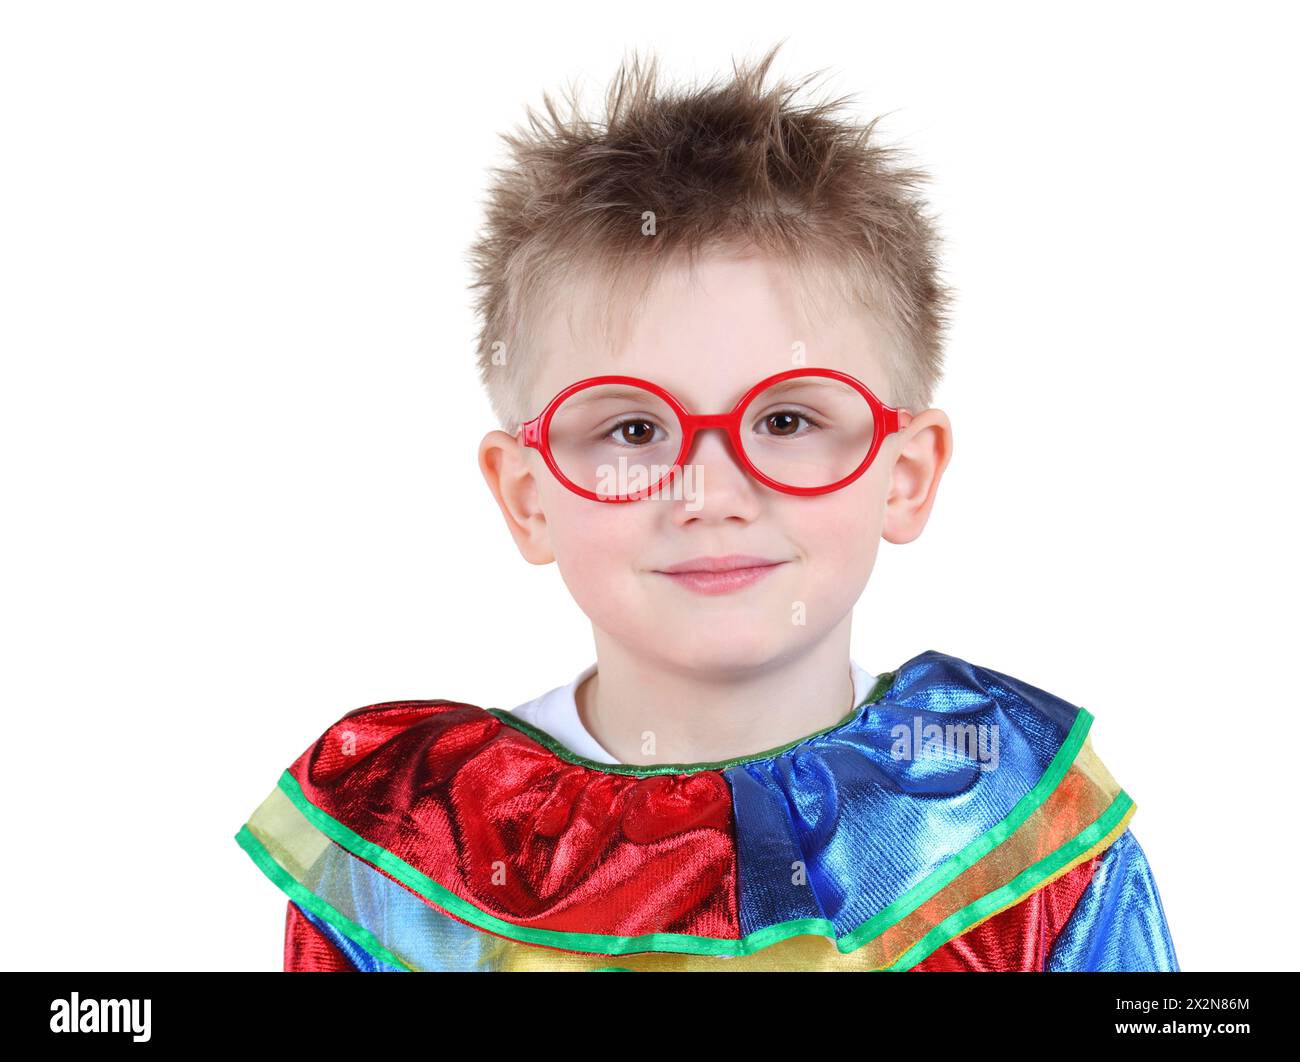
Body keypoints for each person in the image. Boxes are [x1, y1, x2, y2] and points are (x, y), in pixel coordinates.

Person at [234, 43, 1178, 972]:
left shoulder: (1009, 811)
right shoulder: (412, 849)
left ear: (905, 472)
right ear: (527, 498)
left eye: (788, 417)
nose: (713, 494)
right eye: (634, 432)